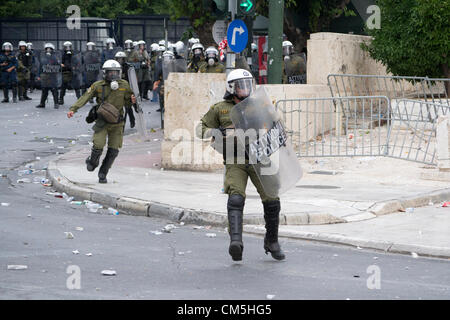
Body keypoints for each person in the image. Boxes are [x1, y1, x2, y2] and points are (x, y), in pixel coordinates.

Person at [198, 69, 286, 262]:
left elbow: (276, 124)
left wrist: (279, 131)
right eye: (240, 85)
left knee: (272, 199)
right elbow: (200, 129)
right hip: (235, 159)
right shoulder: (220, 108)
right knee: (236, 198)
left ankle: (272, 241)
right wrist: (216, 132)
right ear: (231, 87)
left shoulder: (259, 103)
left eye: (247, 84)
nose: (245, 89)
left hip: (260, 156)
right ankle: (235, 242)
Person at [67, 60, 137, 184]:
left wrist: (132, 101)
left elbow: (128, 102)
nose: (113, 75)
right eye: (110, 72)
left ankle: (103, 173)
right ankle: (92, 162)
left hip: (117, 123)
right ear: (105, 73)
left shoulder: (124, 85)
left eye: (116, 72)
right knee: (98, 145)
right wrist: (73, 109)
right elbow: (85, 97)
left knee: (114, 150)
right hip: (102, 122)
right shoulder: (98, 85)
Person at [36, 43, 61, 109]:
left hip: (52, 75)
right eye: (47, 49)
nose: (48, 50)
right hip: (45, 75)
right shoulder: (43, 57)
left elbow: (58, 65)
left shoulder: (55, 57)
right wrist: (38, 75)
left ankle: (56, 103)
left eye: (50, 49)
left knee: (54, 89)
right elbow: (40, 67)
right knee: (44, 89)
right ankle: (42, 103)